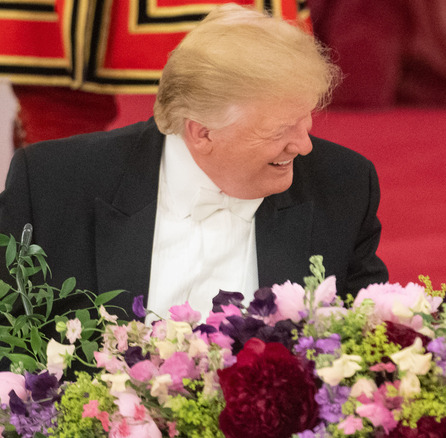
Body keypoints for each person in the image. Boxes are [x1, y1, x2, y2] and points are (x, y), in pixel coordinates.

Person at [0, 3, 388, 320]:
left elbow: (368, 338)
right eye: (280, 131)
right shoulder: (54, 185)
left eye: (306, 121)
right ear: (201, 133)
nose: (303, 147)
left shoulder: (343, 186)